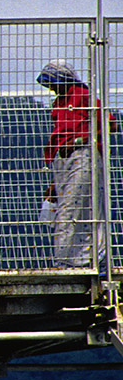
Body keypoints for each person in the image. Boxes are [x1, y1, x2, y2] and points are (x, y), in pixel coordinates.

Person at [38, 60, 114, 269]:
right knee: (71, 208)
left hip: (82, 156)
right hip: (62, 160)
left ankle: (66, 261)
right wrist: (54, 182)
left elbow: (109, 122)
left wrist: (80, 140)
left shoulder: (82, 97)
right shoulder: (59, 103)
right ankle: (78, 260)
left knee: (71, 209)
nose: (51, 89)